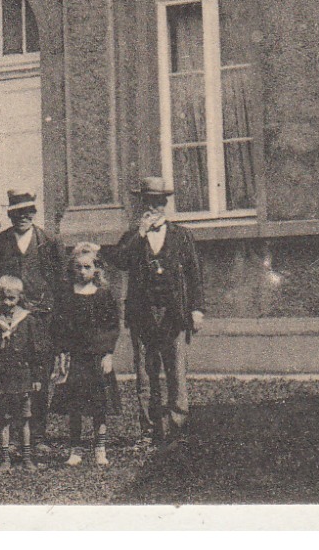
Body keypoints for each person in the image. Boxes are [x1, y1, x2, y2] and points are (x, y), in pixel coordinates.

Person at [109, 177, 203, 446]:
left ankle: (177, 426)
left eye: (159, 201)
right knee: (145, 373)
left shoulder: (182, 236)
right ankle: (150, 429)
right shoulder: (132, 236)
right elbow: (119, 262)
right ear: (142, 204)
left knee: (176, 371)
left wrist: (197, 310)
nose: (155, 207)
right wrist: (139, 234)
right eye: (149, 201)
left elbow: (195, 276)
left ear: (166, 203)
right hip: (142, 315)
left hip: (173, 314)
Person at [0, 189, 63, 445]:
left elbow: (60, 282)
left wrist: (54, 314)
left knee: (40, 375)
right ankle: (14, 434)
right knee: (10, 375)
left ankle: (37, 435)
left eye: (28, 212)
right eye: (17, 212)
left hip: (41, 320)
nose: (23, 217)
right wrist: (2, 313)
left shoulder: (49, 241)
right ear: (10, 214)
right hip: (11, 323)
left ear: (34, 213)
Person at [51, 242, 121, 466]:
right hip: (75, 357)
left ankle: (100, 447)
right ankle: (76, 448)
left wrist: (108, 353)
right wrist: (62, 353)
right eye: (78, 267)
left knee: (99, 403)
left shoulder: (103, 294)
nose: (82, 272)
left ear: (96, 269)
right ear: (72, 269)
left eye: (87, 267)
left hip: (97, 356)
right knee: (76, 405)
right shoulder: (66, 294)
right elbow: (58, 325)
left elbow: (112, 325)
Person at [0, 274, 53, 472]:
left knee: (26, 418)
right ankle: (5, 459)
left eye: (12, 298)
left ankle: (27, 458)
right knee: (5, 419)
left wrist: (36, 377)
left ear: (20, 297)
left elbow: (37, 351)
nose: (8, 303)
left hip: (23, 377)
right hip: (1, 379)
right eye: (3, 298)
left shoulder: (28, 320)